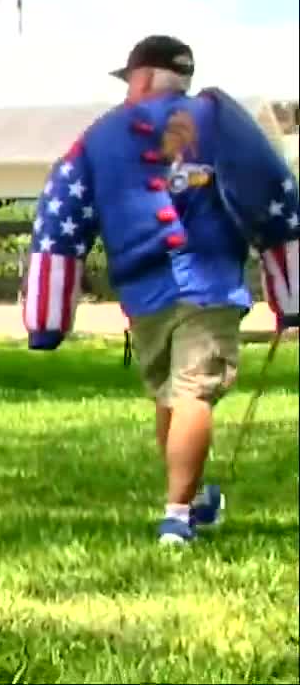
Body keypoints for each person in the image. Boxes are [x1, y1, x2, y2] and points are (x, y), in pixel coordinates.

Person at [21, 34, 299, 546]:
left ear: (143, 77)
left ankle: (185, 503)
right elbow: (271, 186)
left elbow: (59, 215)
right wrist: (291, 282)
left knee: (172, 393)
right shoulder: (221, 122)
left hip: (142, 289)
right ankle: (177, 514)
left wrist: (48, 315)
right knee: (193, 391)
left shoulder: (98, 138)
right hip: (210, 280)